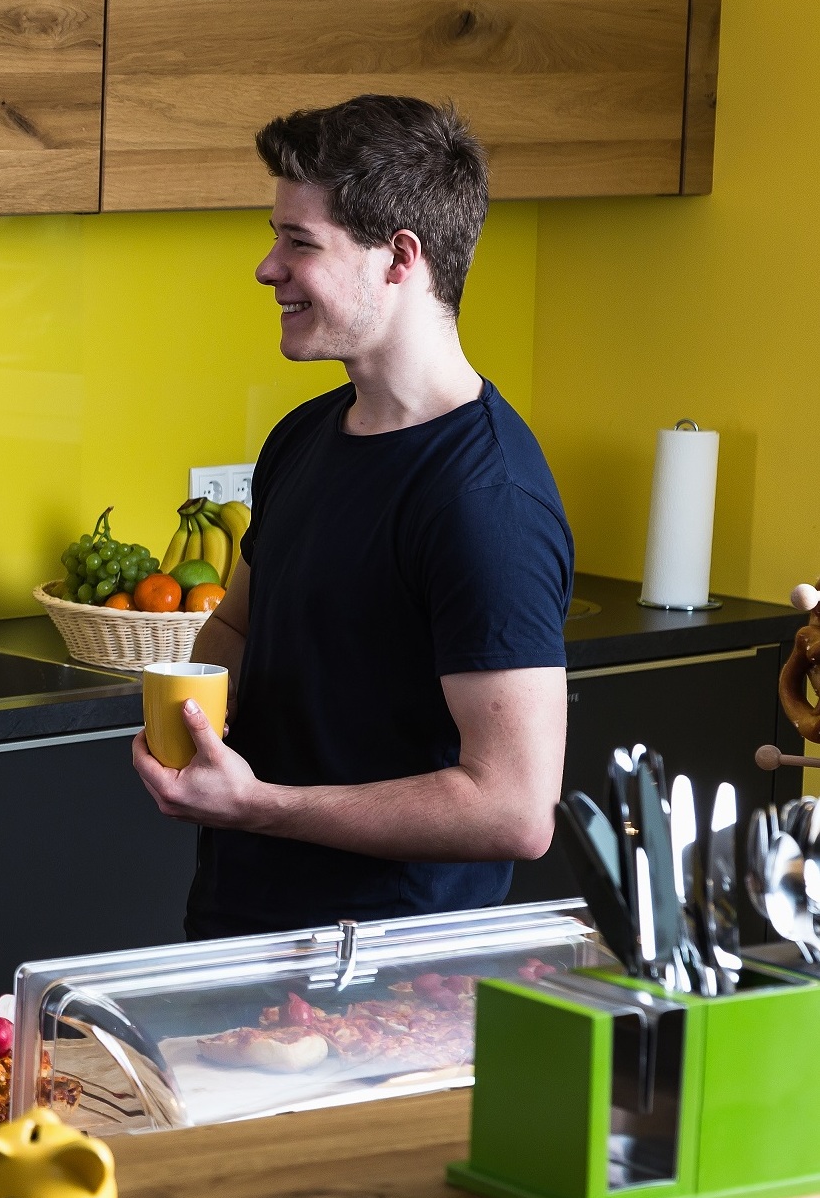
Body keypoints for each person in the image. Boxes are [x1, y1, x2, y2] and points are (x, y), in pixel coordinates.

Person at [130, 95, 573, 938]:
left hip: (385, 969)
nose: (268, 267)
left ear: (399, 259)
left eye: (300, 242)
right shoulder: (305, 435)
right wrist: (187, 729)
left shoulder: (487, 504)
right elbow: (235, 625)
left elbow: (515, 810)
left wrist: (260, 806)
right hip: (241, 923)